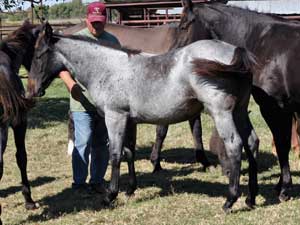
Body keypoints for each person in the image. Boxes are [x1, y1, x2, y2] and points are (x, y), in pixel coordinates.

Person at [59, 1, 120, 193]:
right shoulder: (75, 41)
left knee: (101, 144)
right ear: (86, 20)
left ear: (105, 20)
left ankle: (97, 180)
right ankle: (78, 183)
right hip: (82, 103)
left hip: (105, 105)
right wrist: (71, 85)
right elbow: (61, 68)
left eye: (99, 22)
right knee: (83, 142)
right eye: (93, 22)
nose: (96, 26)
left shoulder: (112, 41)